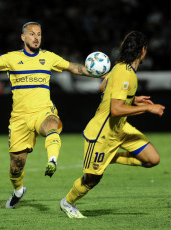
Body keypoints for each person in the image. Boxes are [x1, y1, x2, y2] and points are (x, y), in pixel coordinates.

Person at [0, 22, 97, 209]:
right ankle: (18, 190)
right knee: (16, 167)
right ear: (23, 37)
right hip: (19, 118)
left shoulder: (48, 57)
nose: (36, 37)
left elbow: (74, 68)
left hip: (43, 111)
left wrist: (97, 73)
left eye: (39, 34)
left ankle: (52, 159)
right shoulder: (12, 58)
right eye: (32, 34)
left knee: (52, 124)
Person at [60, 31, 165, 218]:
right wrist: (147, 109)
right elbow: (116, 109)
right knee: (92, 180)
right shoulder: (126, 74)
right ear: (143, 50)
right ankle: (67, 202)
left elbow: (103, 88)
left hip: (120, 128)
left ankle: (112, 158)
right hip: (102, 132)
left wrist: (132, 99)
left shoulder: (121, 67)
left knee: (152, 160)